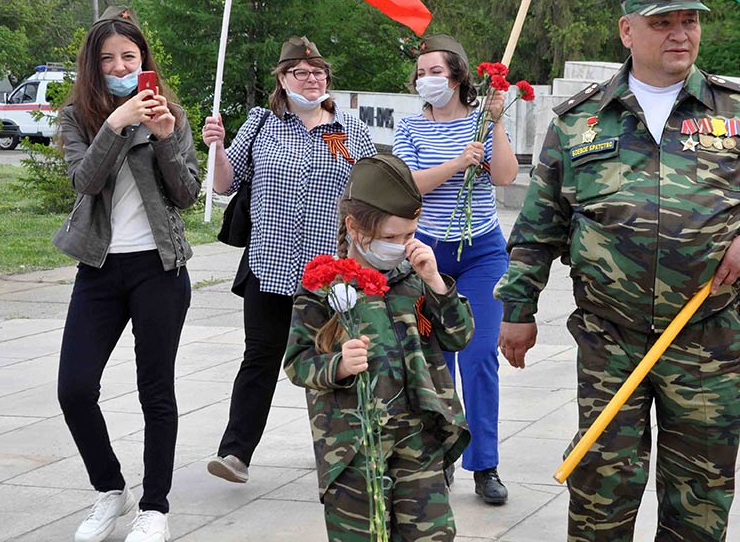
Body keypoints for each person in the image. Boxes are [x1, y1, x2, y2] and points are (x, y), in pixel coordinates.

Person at [495, 0, 740, 542]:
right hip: (610, 340)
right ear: (627, 30)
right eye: (663, 23)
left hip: (706, 340)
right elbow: (539, 224)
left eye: (690, 21)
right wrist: (518, 310)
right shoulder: (580, 121)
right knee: (600, 491)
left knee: (698, 500)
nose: (680, 34)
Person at [54, 5, 200, 542]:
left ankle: (155, 507)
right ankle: (109, 489)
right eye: (108, 58)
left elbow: (186, 193)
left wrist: (163, 136)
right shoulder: (78, 117)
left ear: (144, 62)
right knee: (74, 388)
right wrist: (117, 124)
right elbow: (85, 181)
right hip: (99, 268)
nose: (119, 66)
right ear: (93, 67)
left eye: (129, 57)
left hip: (159, 269)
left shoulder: (172, 114)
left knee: (155, 390)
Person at [201, 36, 376, 484]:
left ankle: (344, 453)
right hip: (269, 266)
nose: (313, 79)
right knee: (259, 358)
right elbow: (224, 184)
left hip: (330, 275)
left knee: (333, 361)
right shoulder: (262, 124)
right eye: (302, 72)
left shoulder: (347, 132)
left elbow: (371, 193)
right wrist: (216, 146)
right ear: (282, 78)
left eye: (319, 73)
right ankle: (235, 452)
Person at [283, 154, 473, 540]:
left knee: (433, 533)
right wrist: (338, 365)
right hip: (353, 446)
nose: (402, 246)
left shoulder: (415, 277)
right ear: (354, 227)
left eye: (409, 234)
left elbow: (459, 337)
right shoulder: (324, 286)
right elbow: (298, 363)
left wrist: (437, 284)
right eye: (390, 238)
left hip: (417, 436)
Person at [391, 34, 518, 504]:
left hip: (482, 252)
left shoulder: (483, 122)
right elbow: (407, 186)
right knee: (432, 361)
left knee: (480, 354)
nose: (427, 80)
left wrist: (497, 125)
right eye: (421, 73)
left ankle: (485, 464)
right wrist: (456, 163)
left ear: (460, 77)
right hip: (427, 257)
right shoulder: (410, 127)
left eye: (435, 72)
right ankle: (439, 456)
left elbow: (505, 176)